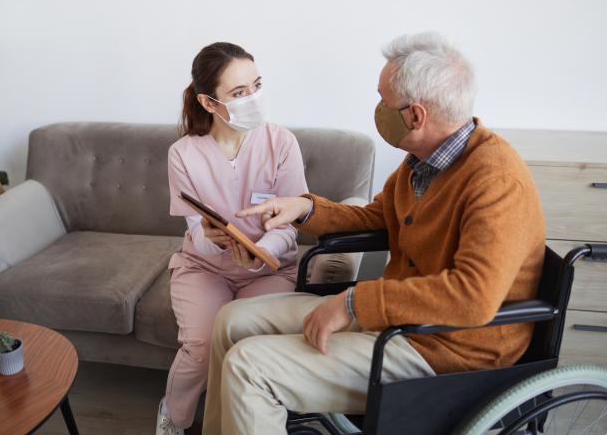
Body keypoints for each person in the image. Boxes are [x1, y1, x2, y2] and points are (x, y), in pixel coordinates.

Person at [201, 32, 546, 435]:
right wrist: (305, 207)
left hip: (448, 348)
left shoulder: (495, 179)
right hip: (400, 321)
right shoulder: (424, 162)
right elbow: (378, 217)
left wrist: (352, 303)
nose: (377, 107)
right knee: (230, 321)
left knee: (251, 367)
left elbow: (473, 297)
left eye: (383, 100)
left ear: (415, 115)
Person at [157, 42, 308, 435]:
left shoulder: (281, 143)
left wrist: (259, 254)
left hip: (269, 271)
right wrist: (213, 240)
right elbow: (195, 227)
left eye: (256, 86)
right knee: (203, 344)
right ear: (209, 103)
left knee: (245, 343)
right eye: (239, 94)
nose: (253, 99)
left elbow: (292, 223)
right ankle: (174, 417)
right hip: (204, 267)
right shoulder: (183, 153)